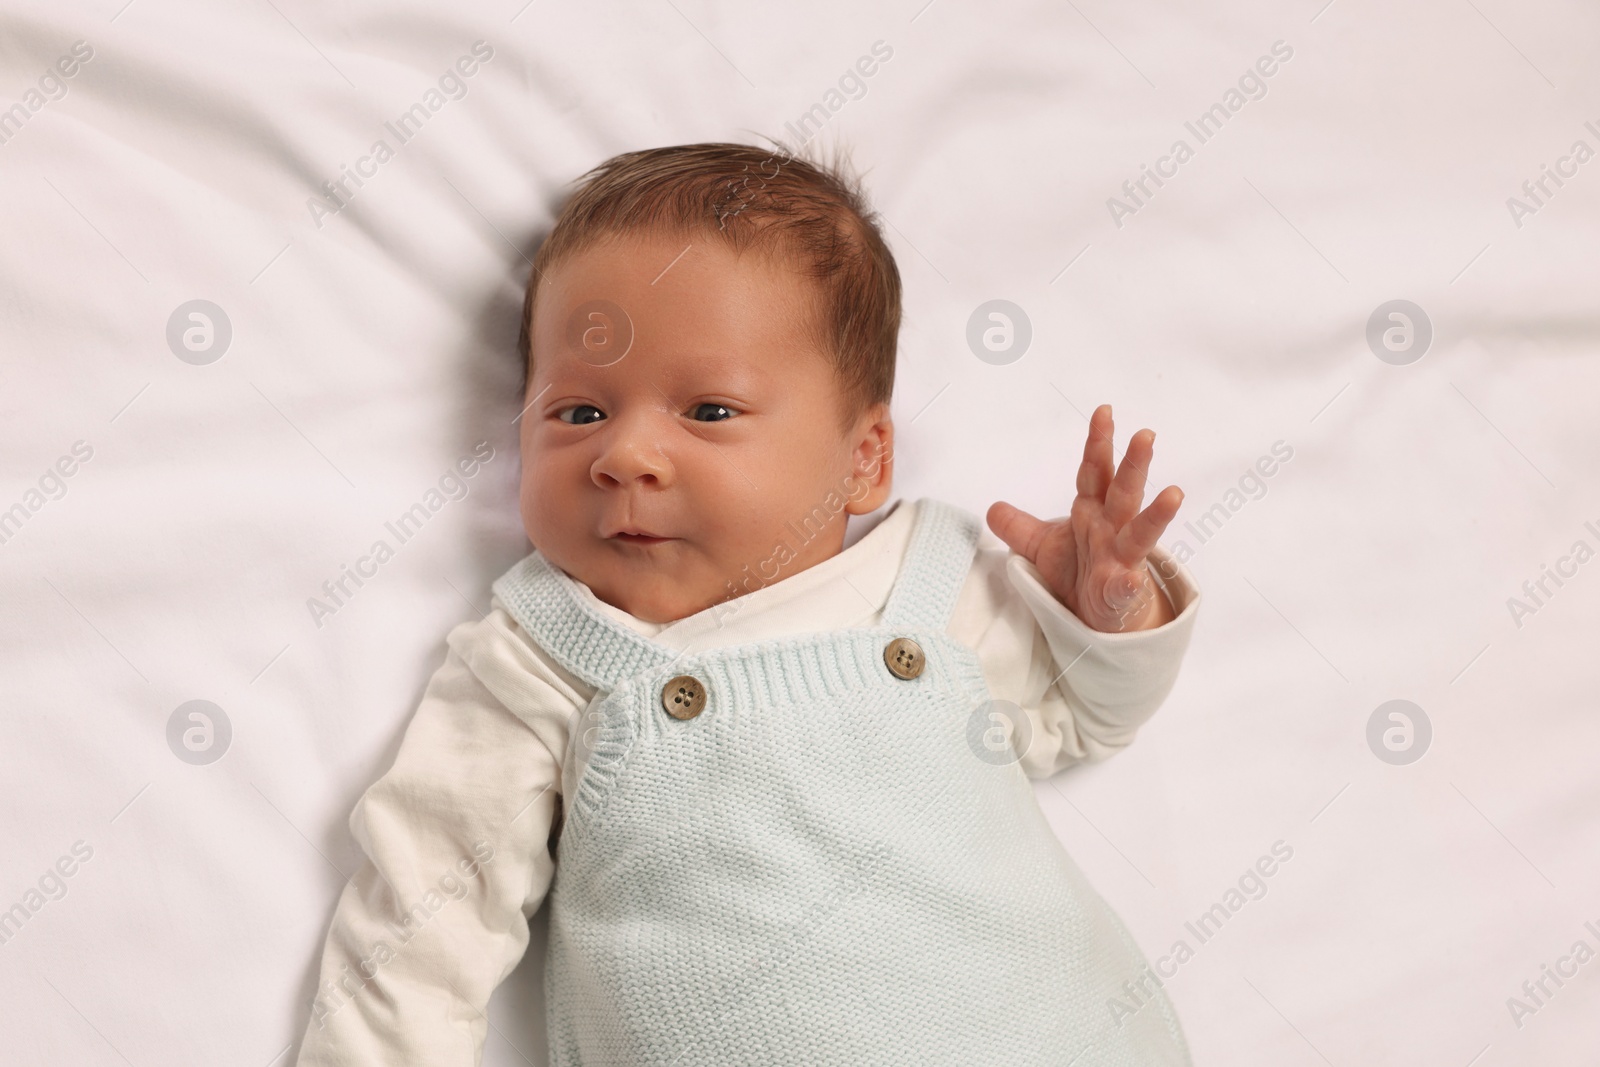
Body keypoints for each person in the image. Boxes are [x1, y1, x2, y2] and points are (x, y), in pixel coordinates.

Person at [295, 141, 1200, 1066]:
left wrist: (1106, 614)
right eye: (578, 413)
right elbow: (417, 932)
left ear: (865, 459)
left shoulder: (929, 592)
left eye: (710, 412)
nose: (627, 455)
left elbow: (1085, 715)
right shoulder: (546, 658)